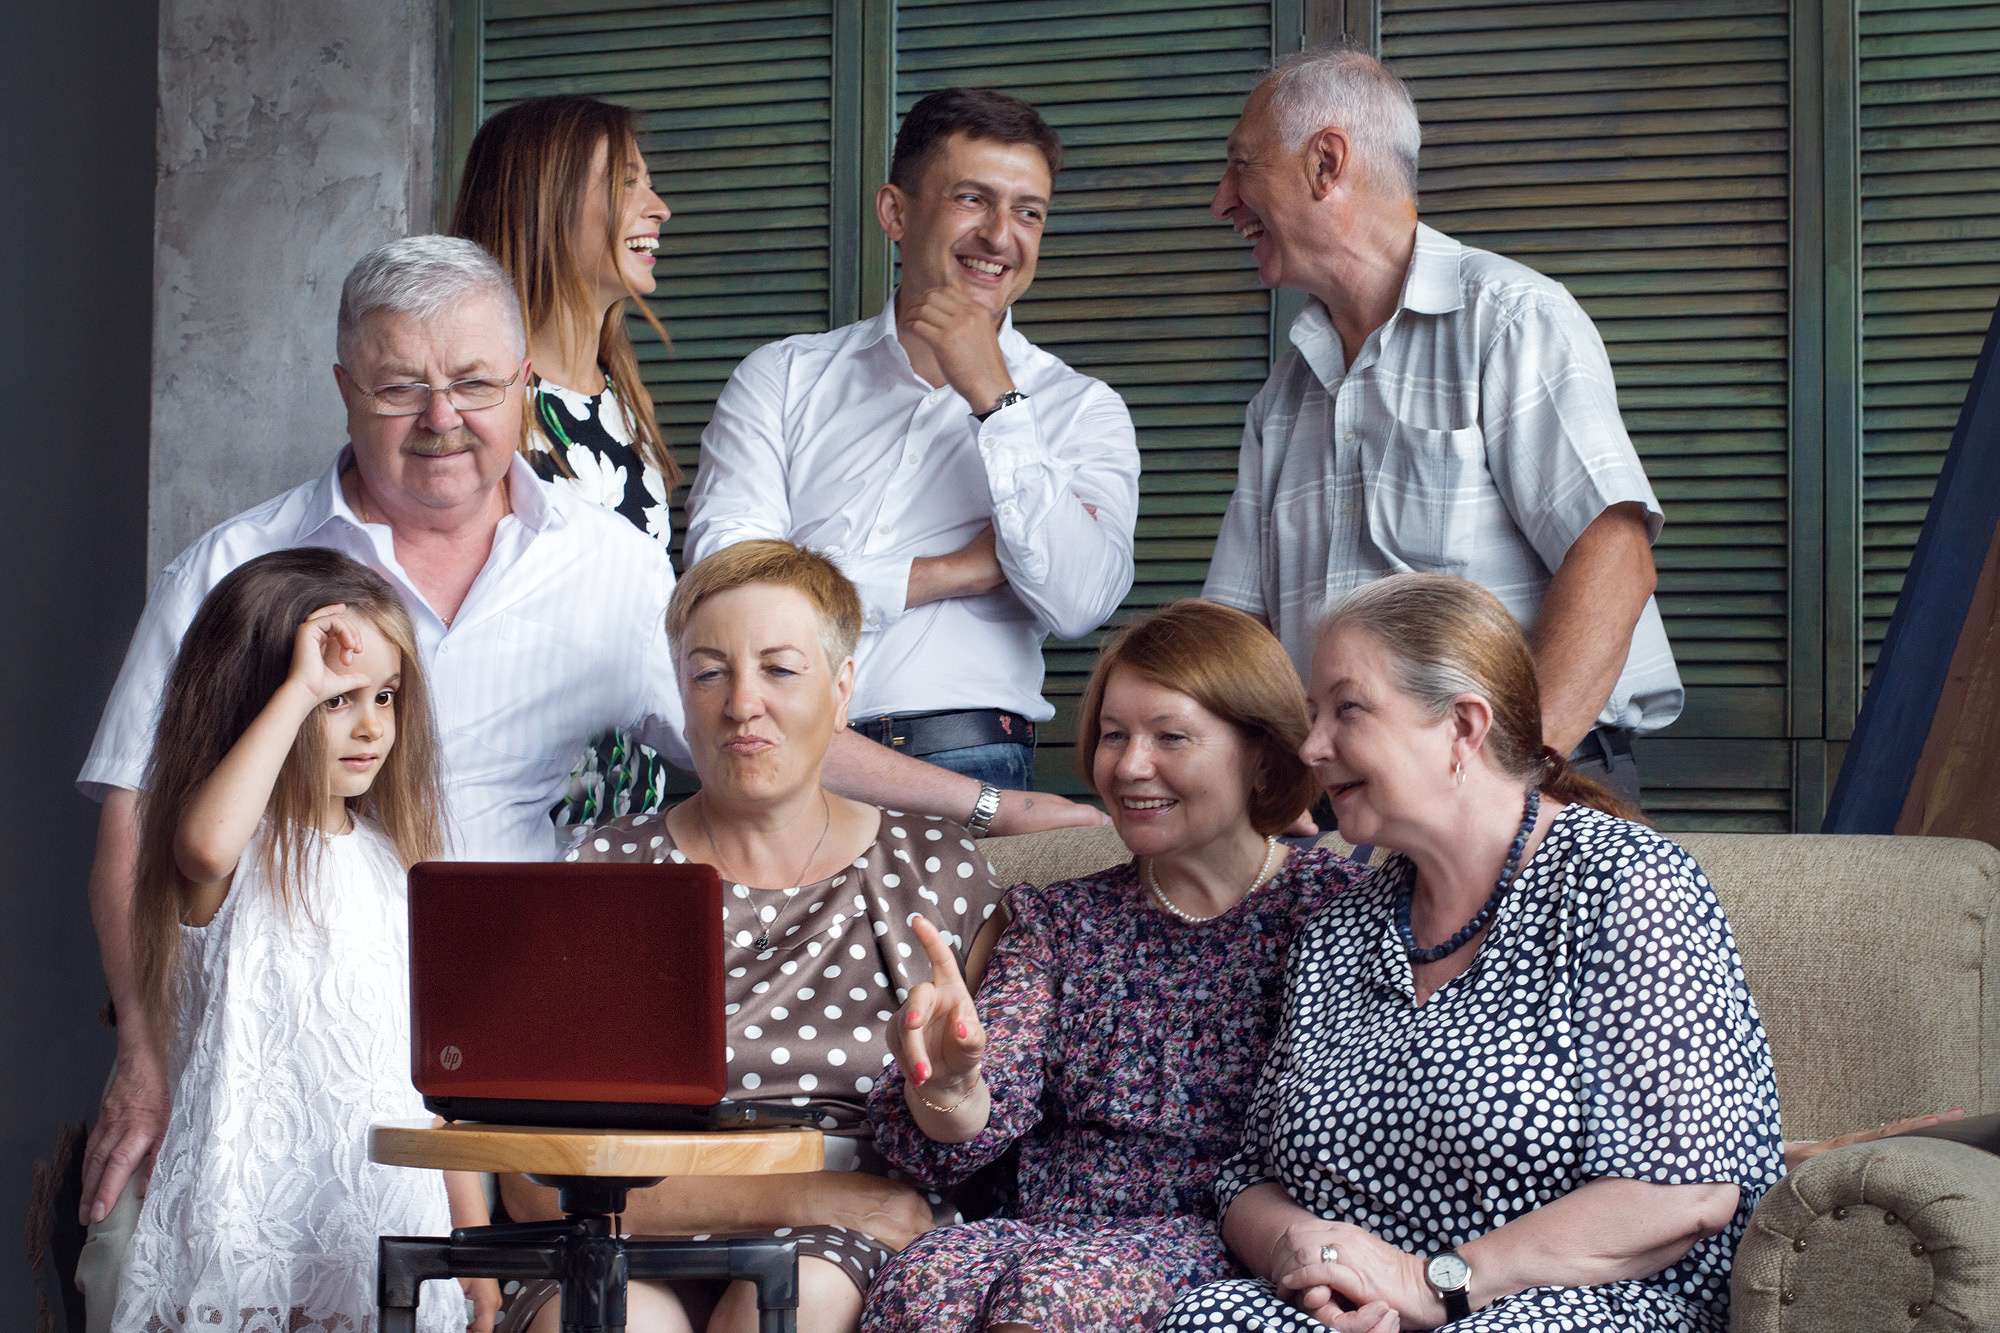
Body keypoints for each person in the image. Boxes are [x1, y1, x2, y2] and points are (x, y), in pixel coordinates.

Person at [73, 235, 688, 1248]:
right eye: (401, 387)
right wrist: (145, 1052)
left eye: (474, 383)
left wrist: (962, 803)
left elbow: (754, 747)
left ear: (524, 383)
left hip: (517, 1048)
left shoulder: (612, 566)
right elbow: (137, 825)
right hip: (280, 1043)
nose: (441, 419)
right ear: (344, 389)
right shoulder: (233, 566)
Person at [1160, 573, 1783, 1332]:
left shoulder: (1625, 881)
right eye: (1312, 715)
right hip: (1363, 1310)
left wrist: (1431, 1284)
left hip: (1574, 1305)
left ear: (1462, 726)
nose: (1312, 746)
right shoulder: (1338, 929)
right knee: (1206, 1316)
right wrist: (1311, 1257)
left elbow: (1684, 1193)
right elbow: (1247, 1178)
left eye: (1347, 709)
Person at [502, 541, 1013, 1333]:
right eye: (709, 672)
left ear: (841, 689)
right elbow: (530, 1180)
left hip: (852, 1246)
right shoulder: (602, 871)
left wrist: (949, 1089)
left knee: (796, 1295)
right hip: (628, 1230)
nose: (742, 703)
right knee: (609, 1316)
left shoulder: (938, 869)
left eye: (779, 669)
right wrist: (806, 1195)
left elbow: (990, 1138)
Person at [859, 601, 1390, 1333]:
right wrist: (950, 1084)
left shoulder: (1335, 910)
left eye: (1170, 736)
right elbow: (985, 1099)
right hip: (1045, 1227)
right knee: (926, 1278)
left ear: (1263, 755)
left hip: (1231, 1237)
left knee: (1052, 1294)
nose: (1131, 766)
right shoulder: (1059, 919)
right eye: (1115, 735)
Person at [1201, 47, 1681, 810]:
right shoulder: (1281, 400)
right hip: (1342, 799)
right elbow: (1236, 636)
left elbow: (1615, 561)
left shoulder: (1511, 320)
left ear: (1326, 163)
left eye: (1240, 166)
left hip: (1524, 782)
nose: (1222, 200)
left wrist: (1506, 789)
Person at [686, 87, 1140, 813]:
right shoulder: (782, 377)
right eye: (972, 199)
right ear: (896, 213)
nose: (1000, 235)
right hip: (771, 753)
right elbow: (729, 595)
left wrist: (996, 398)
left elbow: (1078, 601)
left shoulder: (1082, 409)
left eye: (1028, 211)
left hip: (973, 762)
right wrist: (948, 573)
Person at [110, 549, 497, 1333]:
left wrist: (473, 1241)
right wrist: (299, 686)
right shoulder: (234, 851)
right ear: (256, 701)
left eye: (384, 695)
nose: (371, 725)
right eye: (337, 700)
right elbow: (206, 844)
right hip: (251, 1226)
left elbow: (430, 1089)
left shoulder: (397, 867)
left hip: (383, 1223)